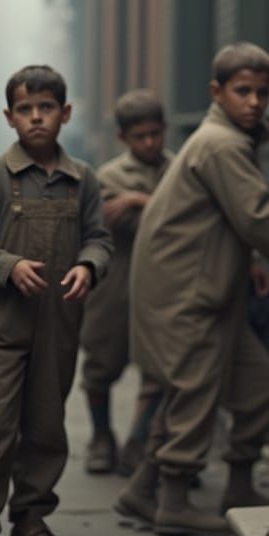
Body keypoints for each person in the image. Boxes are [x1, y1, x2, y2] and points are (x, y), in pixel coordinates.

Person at [118, 43, 269, 535]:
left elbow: (226, 218)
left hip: (209, 287)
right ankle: (173, 503)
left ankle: (176, 488)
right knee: (194, 393)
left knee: (258, 386)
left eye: (262, 93)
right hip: (190, 292)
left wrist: (246, 260)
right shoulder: (221, 144)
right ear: (217, 92)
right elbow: (258, 216)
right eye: (242, 91)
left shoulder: (226, 139)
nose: (254, 102)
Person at [0, 65, 113, 536]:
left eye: (46, 108)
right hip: (0, 327)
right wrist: (8, 265)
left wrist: (89, 265)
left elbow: (100, 238)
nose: (36, 117)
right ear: (9, 117)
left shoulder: (83, 179)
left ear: (65, 114)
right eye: (25, 109)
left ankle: (31, 522)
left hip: (59, 324)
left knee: (45, 424)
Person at [78, 89, 173, 476]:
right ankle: (102, 437)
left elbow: (184, 219)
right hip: (115, 286)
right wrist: (138, 202)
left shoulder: (179, 169)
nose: (150, 143)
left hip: (164, 287)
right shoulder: (109, 176)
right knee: (101, 365)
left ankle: (140, 441)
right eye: (140, 136)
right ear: (123, 138)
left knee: (162, 370)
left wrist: (139, 200)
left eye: (155, 133)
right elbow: (111, 220)